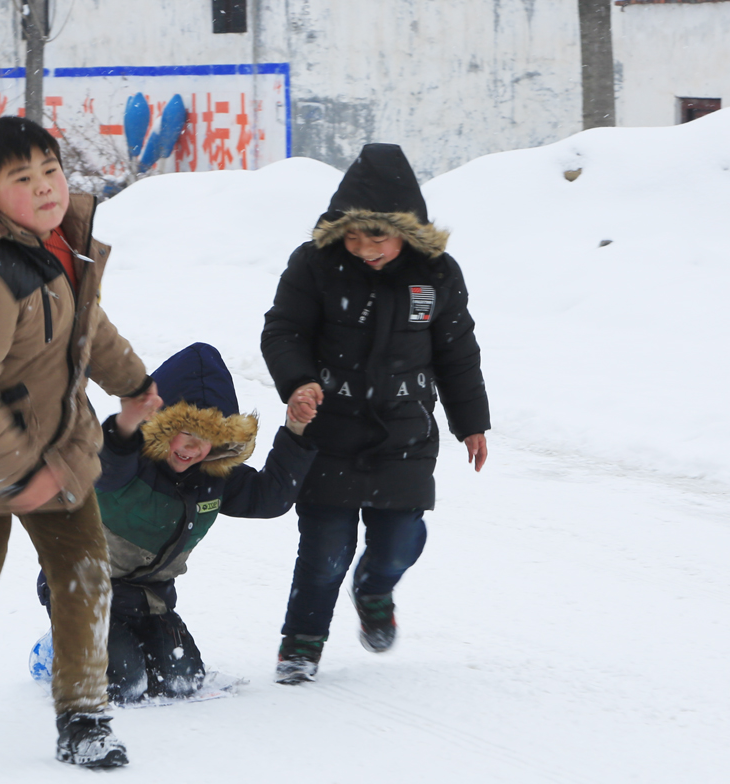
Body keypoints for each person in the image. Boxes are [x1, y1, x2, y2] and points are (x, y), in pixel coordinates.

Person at [0, 116, 158, 768]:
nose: (47, 187)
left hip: (58, 449)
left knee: (85, 576)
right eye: (24, 178)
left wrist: (135, 383)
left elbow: (88, 328)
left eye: (51, 169)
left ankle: (83, 719)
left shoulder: (59, 245)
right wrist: (19, 475)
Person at [260, 143, 491, 684]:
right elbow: (283, 330)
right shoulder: (315, 265)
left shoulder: (436, 275)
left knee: (399, 543)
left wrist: (471, 421)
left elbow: (458, 350)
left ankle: (375, 590)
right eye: (353, 235)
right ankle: (301, 643)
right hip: (328, 429)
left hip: (403, 433)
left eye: (377, 237)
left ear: (407, 230)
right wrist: (298, 383)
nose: (363, 248)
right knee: (323, 551)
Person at [36, 343, 319, 704]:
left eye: (206, 439)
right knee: (125, 684)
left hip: (149, 599)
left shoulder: (213, 475)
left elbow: (270, 498)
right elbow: (106, 465)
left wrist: (296, 430)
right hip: (83, 588)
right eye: (182, 434)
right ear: (158, 424)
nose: (191, 449)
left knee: (182, 681)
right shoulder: (127, 460)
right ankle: (57, 647)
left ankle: (122, 638)